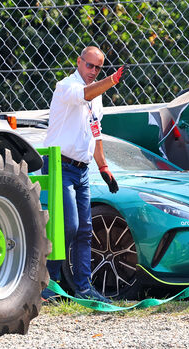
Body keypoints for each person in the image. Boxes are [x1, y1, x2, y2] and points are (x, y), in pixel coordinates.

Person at [42, 46, 125, 303]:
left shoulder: (95, 95)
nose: (93, 71)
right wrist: (110, 81)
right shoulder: (67, 86)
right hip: (59, 165)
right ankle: (48, 285)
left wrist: (103, 167)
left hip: (81, 169)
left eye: (98, 68)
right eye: (90, 66)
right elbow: (86, 93)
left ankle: (83, 287)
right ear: (79, 62)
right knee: (67, 226)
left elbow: (95, 131)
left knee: (85, 229)